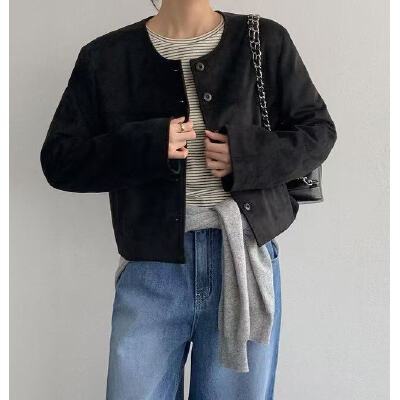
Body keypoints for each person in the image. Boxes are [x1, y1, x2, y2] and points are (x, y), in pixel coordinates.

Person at [40, 1, 337, 399]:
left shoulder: (264, 40)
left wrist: (244, 155)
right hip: (151, 267)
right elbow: (60, 161)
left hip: (242, 260)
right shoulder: (105, 56)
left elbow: (318, 132)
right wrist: (147, 144)